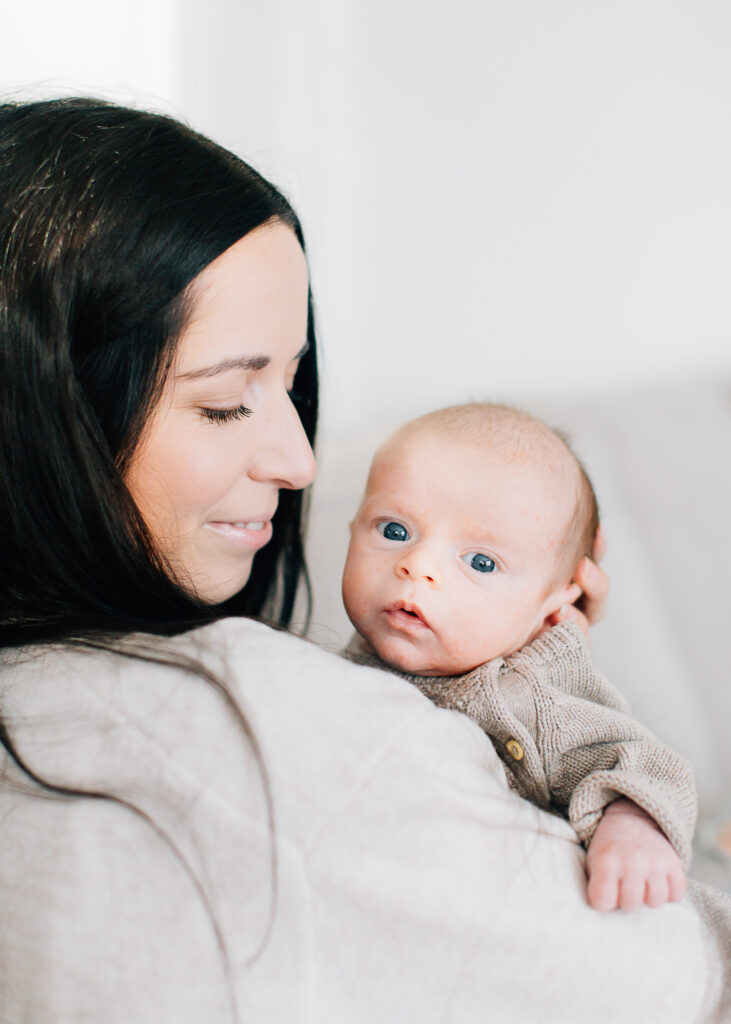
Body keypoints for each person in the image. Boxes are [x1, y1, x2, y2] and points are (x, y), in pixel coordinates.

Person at [0, 97, 728, 1024]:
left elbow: (632, 770)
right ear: (41, 414)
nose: (300, 463)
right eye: (227, 401)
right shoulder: (262, 739)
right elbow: (682, 984)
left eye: (289, 386)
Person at [341, 403, 694, 912]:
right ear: (353, 527)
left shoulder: (530, 696)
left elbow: (649, 764)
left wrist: (633, 828)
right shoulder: (328, 669)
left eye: (481, 562)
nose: (415, 565)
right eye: (394, 530)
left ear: (552, 609)